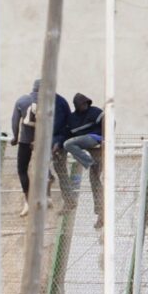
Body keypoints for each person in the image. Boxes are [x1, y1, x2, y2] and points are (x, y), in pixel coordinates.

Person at [11, 79, 70, 217]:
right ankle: (48, 193)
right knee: (43, 166)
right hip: (43, 140)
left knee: (22, 169)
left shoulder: (22, 100)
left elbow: (15, 121)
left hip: (25, 140)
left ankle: (28, 201)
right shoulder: (51, 102)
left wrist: (15, 137)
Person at [58, 93, 105, 227]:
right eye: (81, 104)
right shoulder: (73, 119)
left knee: (68, 144)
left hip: (95, 141)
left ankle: (90, 163)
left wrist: (106, 138)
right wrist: (56, 145)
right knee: (94, 180)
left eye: (86, 103)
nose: (84, 106)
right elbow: (65, 134)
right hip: (84, 146)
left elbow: (109, 120)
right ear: (77, 106)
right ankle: (101, 213)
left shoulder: (95, 111)